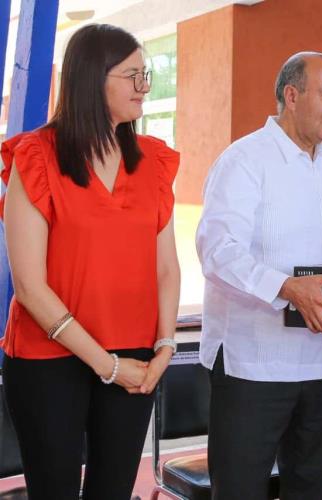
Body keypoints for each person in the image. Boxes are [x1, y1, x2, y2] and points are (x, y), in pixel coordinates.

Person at [0, 24, 180, 499]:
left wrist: (165, 345)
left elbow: (167, 268)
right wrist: (108, 365)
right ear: (91, 78)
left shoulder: (153, 161)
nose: (145, 87)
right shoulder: (36, 155)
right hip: (49, 361)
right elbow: (30, 286)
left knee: (114, 491)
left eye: (147, 76)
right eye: (133, 76)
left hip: (136, 358)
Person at [196, 52, 322, 499]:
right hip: (254, 366)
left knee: (312, 489)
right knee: (241, 492)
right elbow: (217, 251)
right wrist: (288, 288)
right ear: (291, 96)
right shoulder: (244, 160)